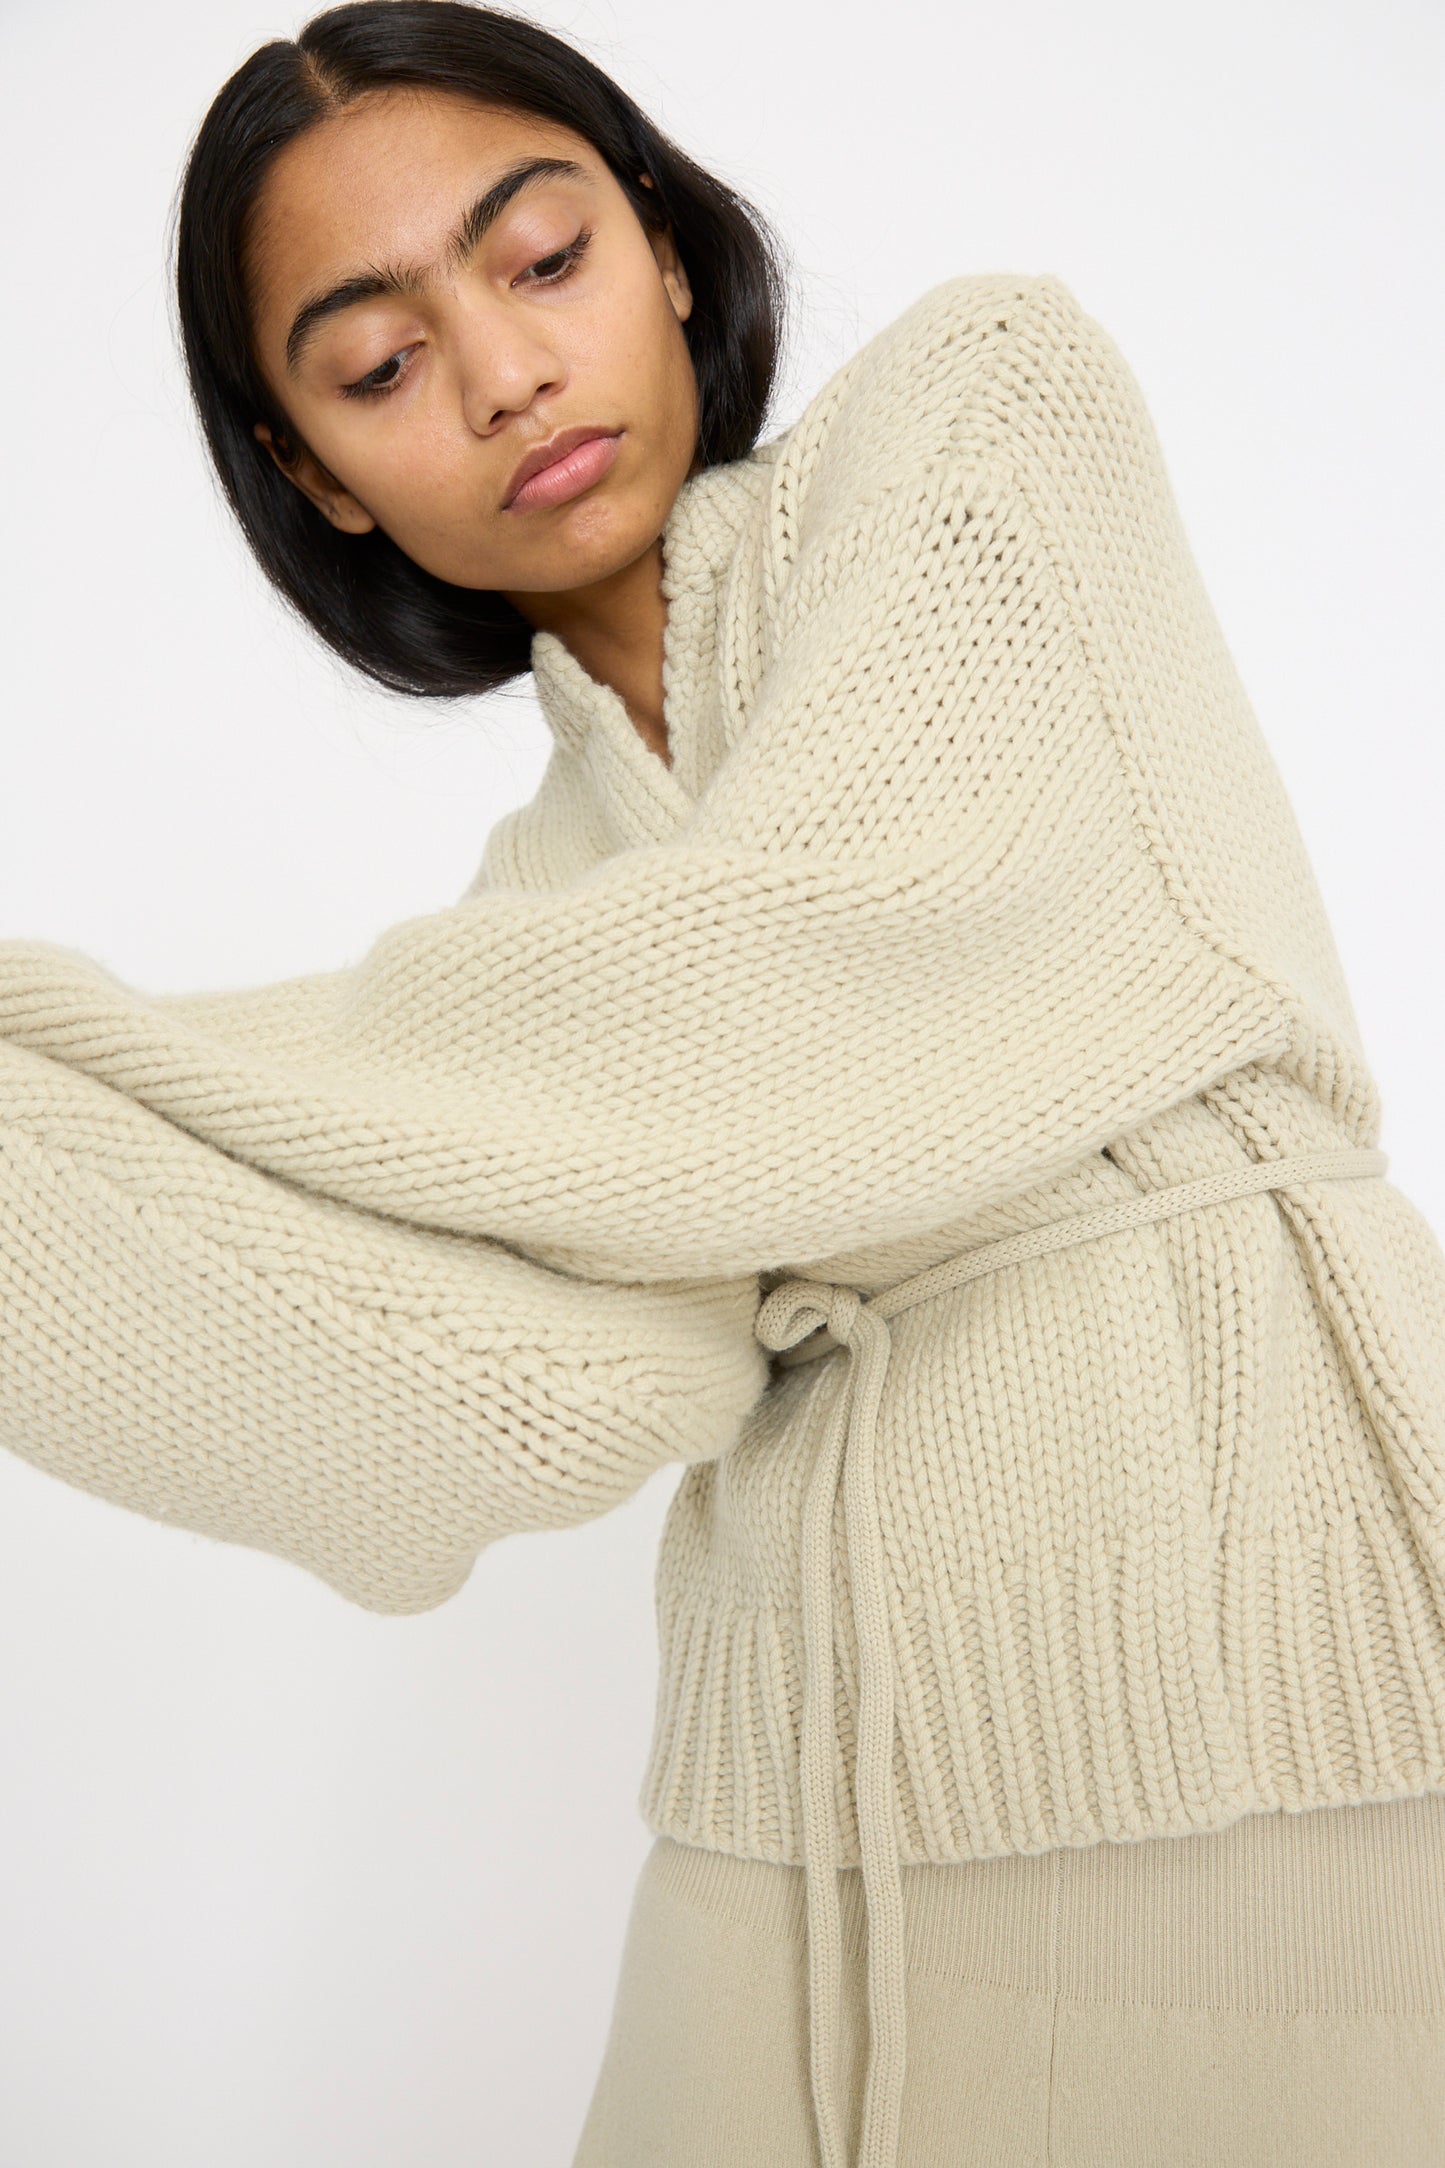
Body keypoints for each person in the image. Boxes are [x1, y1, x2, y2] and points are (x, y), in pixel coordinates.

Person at [3, 4, 1444, 2163]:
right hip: (805, 1772)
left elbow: (820, 977)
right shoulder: (536, 911)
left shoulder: (986, 410)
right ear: (314, 472)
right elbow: (492, 1393)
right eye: (377, 365)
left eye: (544, 256)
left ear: (665, 240)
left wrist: (112, 1046)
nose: (499, 376)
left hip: (1265, 1678)